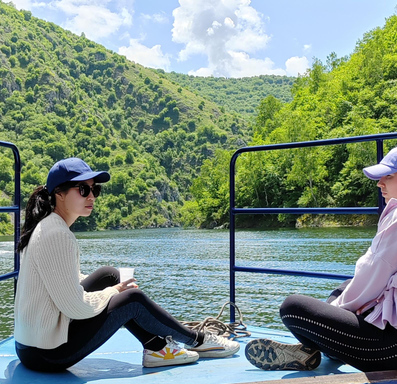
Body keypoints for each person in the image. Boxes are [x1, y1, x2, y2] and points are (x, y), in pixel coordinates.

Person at [245, 144, 397, 372]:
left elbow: (372, 277)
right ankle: (326, 346)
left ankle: (317, 348)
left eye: (388, 177)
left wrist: (330, 316)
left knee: (293, 308)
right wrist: (336, 313)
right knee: (345, 288)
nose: (379, 183)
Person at [14, 157, 240, 372]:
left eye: (95, 190)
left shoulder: (47, 226)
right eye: (83, 189)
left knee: (110, 274)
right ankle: (198, 340)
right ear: (59, 194)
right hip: (47, 354)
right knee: (132, 300)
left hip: (31, 347)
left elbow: (62, 279)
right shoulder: (57, 234)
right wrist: (112, 293)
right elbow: (74, 306)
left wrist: (111, 287)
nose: (91, 196)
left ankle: (157, 348)